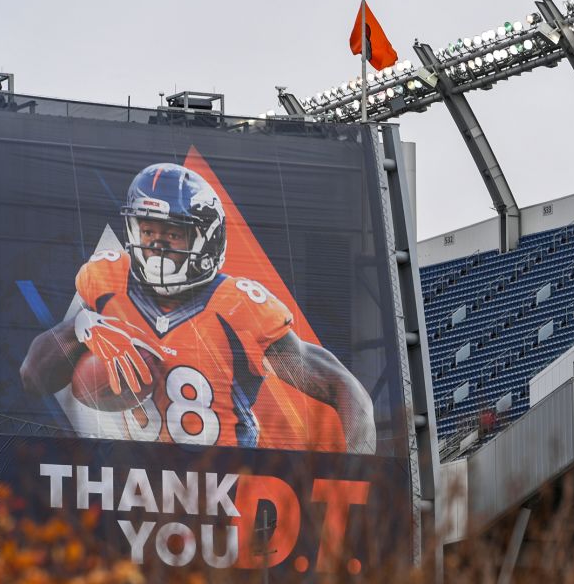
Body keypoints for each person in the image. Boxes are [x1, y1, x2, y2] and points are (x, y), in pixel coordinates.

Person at [20, 163, 376, 454]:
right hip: (140, 491)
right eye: (147, 232)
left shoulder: (237, 306)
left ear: (205, 239)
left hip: (225, 491)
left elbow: (342, 387)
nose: (156, 246)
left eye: (172, 234)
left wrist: (361, 473)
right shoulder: (108, 282)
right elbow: (33, 377)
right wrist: (84, 326)